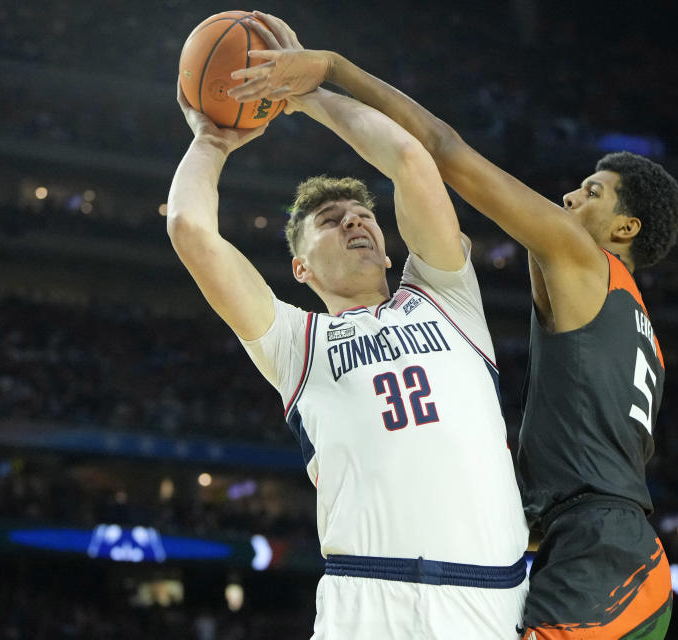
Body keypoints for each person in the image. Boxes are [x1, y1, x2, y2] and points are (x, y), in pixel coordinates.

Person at [230, 12, 678, 639]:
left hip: (602, 555)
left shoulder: (584, 261)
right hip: (599, 548)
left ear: (625, 229)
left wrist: (325, 75)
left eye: (592, 192)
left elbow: (441, 151)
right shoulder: (636, 324)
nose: (570, 199)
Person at [166, 32, 529, 639]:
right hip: (366, 602)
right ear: (300, 269)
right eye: (330, 222)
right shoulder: (294, 343)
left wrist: (306, 93)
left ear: (389, 250)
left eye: (363, 216)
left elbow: (411, 158)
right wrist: (210, 140)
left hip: (490, 604)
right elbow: (189, 228)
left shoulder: (448, 298)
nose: (355, 221)